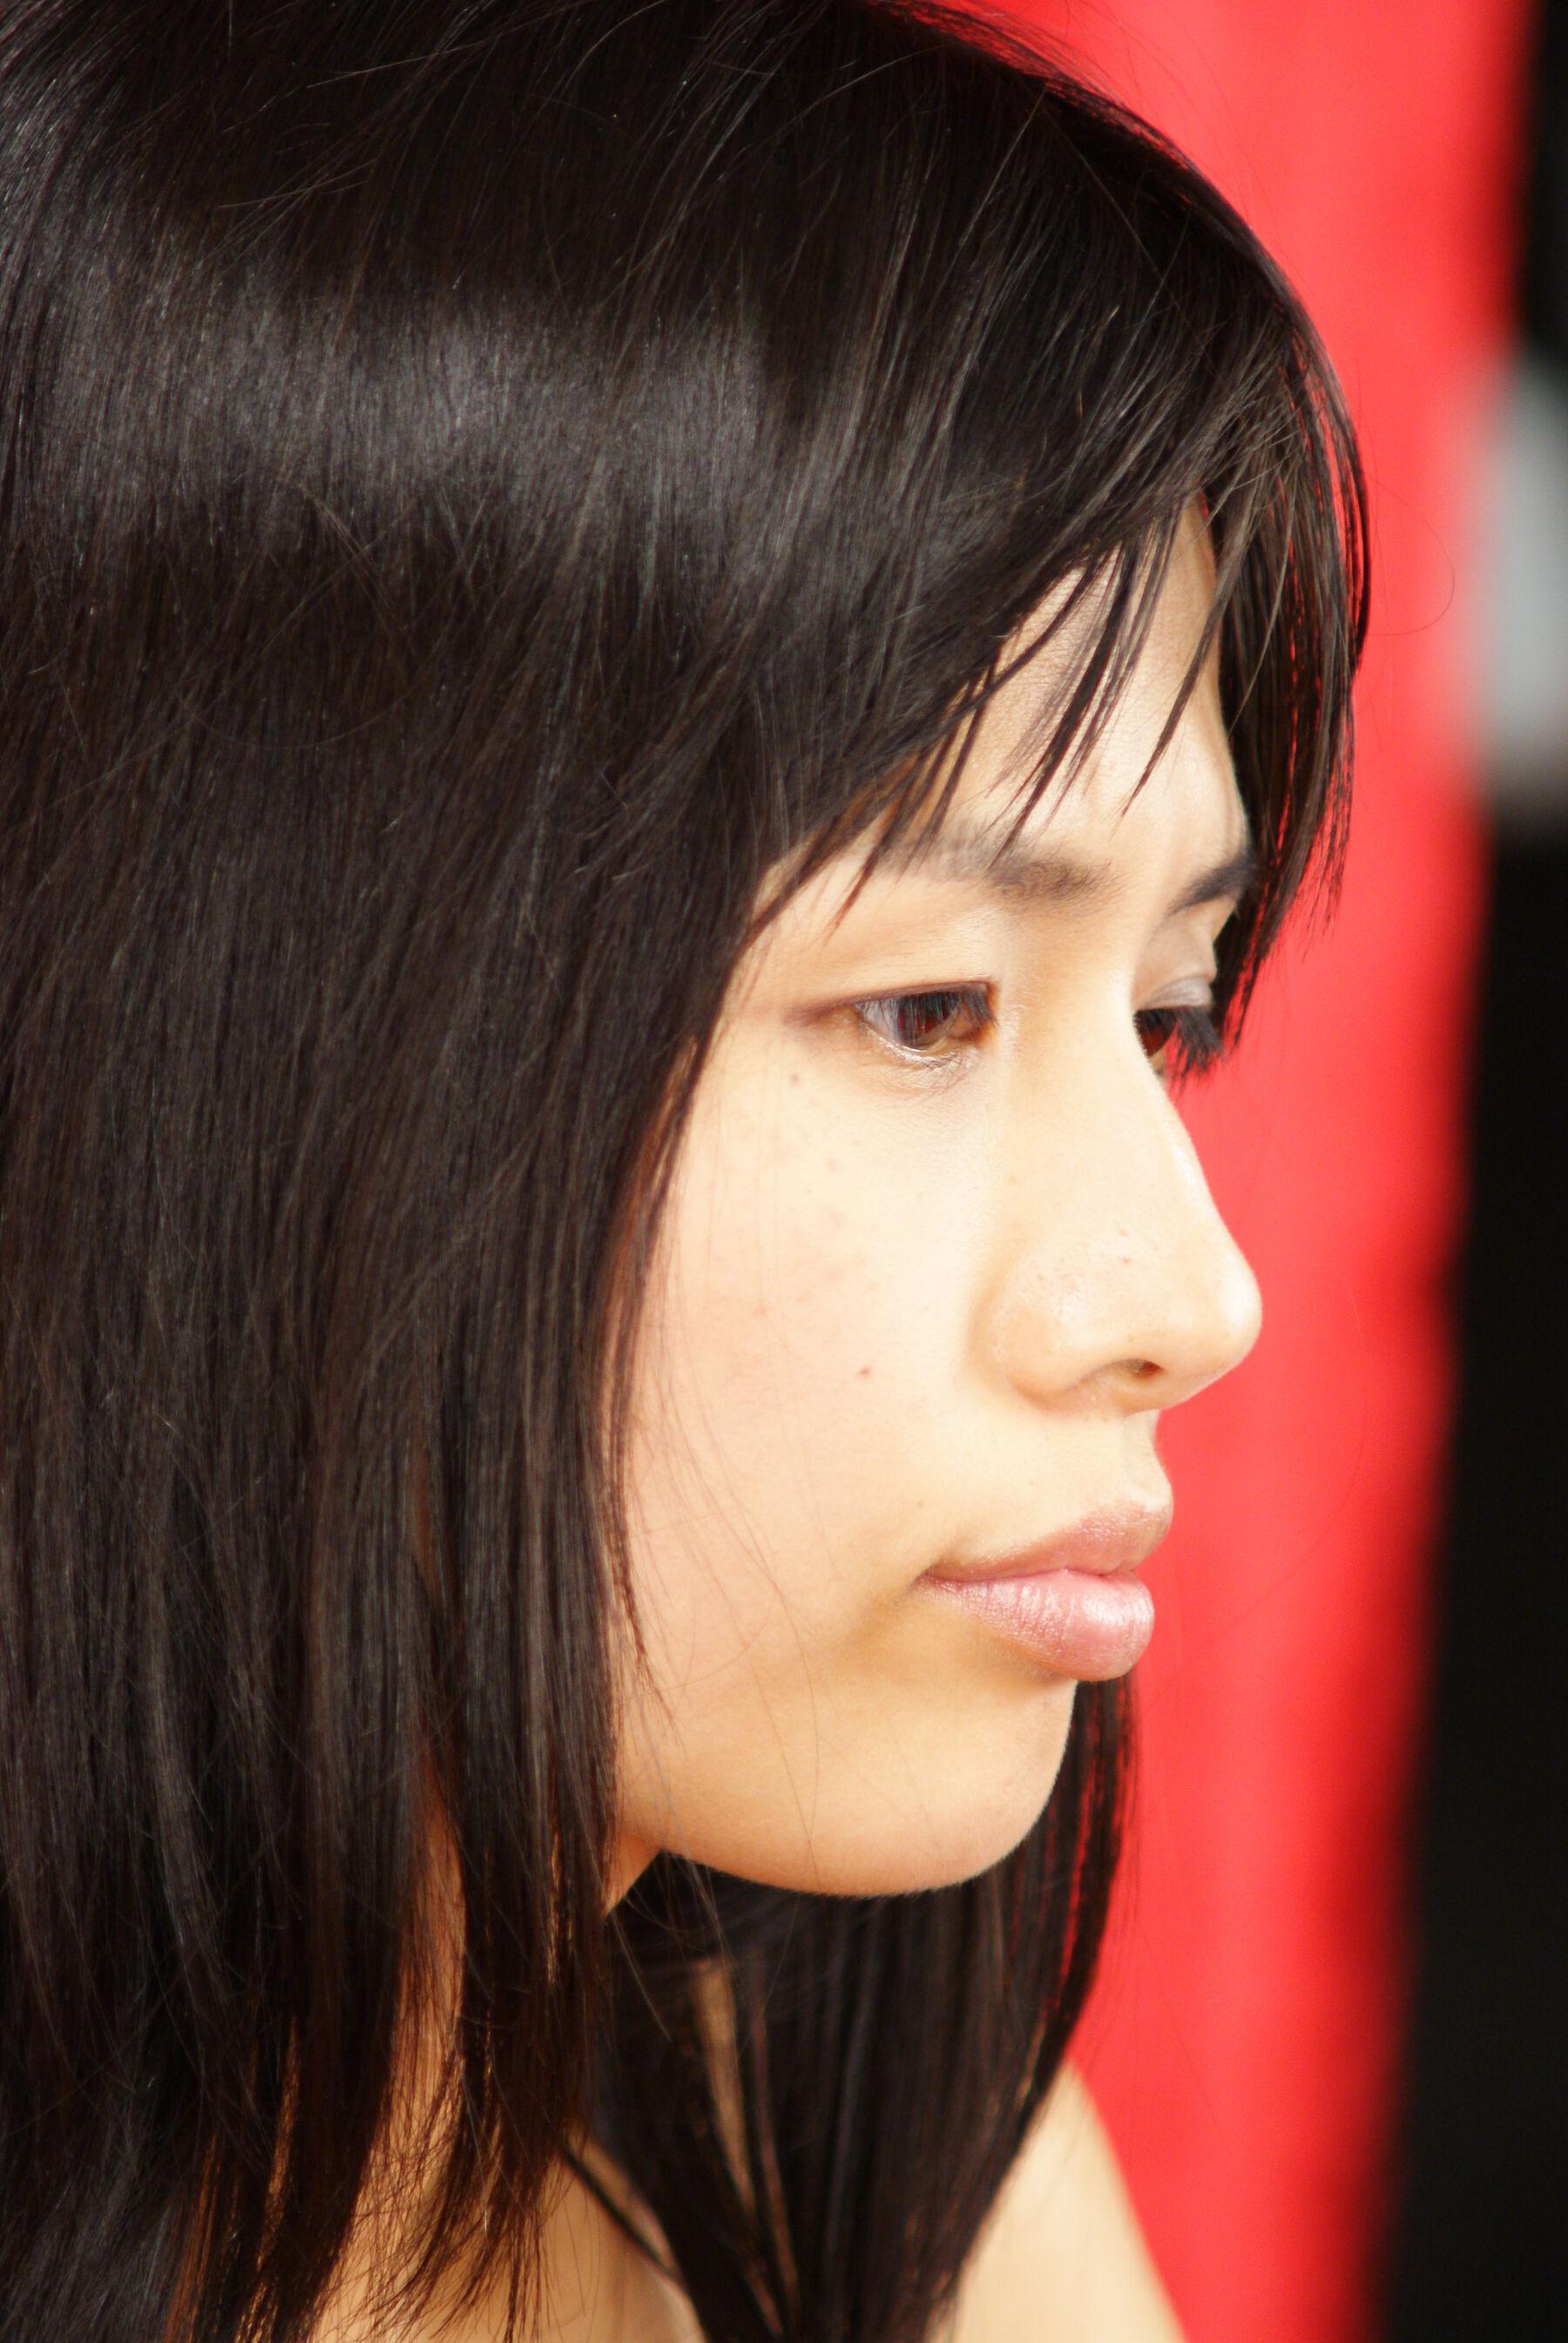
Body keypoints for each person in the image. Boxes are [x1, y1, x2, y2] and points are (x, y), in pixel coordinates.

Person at [0, 3, 1367, 2338]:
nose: (1189, 1296)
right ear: (262, 1027)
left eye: (1170, 1012)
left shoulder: (854, 2176)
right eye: (927, 1007)